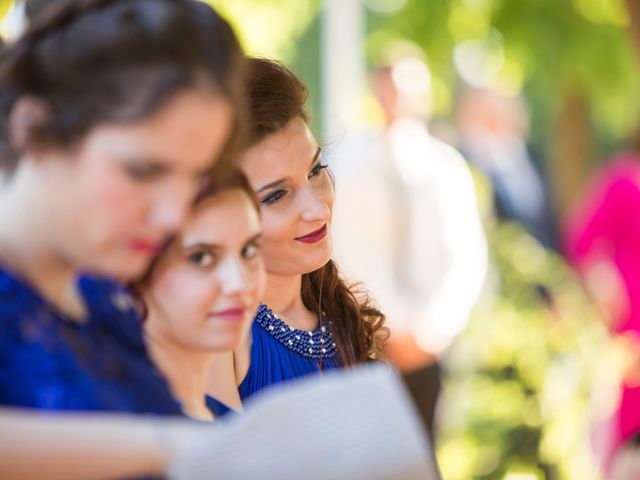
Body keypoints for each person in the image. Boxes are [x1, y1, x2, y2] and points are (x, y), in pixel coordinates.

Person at [214, 57, 388, 401]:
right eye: (277, 195)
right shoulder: (223, 336)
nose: (318, 208)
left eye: (315, 170)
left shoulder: (338, 315)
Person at [134, 167, 265, 418]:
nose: (239, 283)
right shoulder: (116, 426)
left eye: (248, 250)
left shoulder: (225, 422)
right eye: (201, 257)